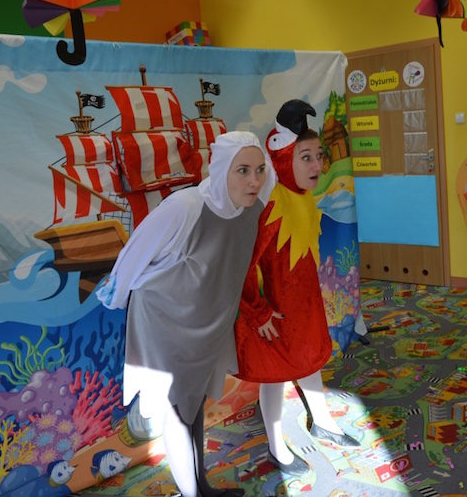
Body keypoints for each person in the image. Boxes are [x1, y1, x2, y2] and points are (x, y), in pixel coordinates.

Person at [96, 131, 275, 497]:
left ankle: (200, 485)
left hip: (208, 323)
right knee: (176, 410)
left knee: (192, 405)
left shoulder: (253, 207)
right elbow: (137, 250)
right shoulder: (187, 206)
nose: (254, 180)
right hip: (166, 323)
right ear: (222, 169)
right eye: (242, 170)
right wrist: (116, 294)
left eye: (259, 170)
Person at [234, 100, 360, 476]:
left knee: (308, 360)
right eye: (306, 157)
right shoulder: (269, 207)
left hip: (303, 304)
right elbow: (242, 265)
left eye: (318, 156)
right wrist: (258, 313)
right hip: (274, 314)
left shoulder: (303, 199)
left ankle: (321, 419)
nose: (317, 165)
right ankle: (277, 445)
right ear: (284, 158)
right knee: (275, 377)